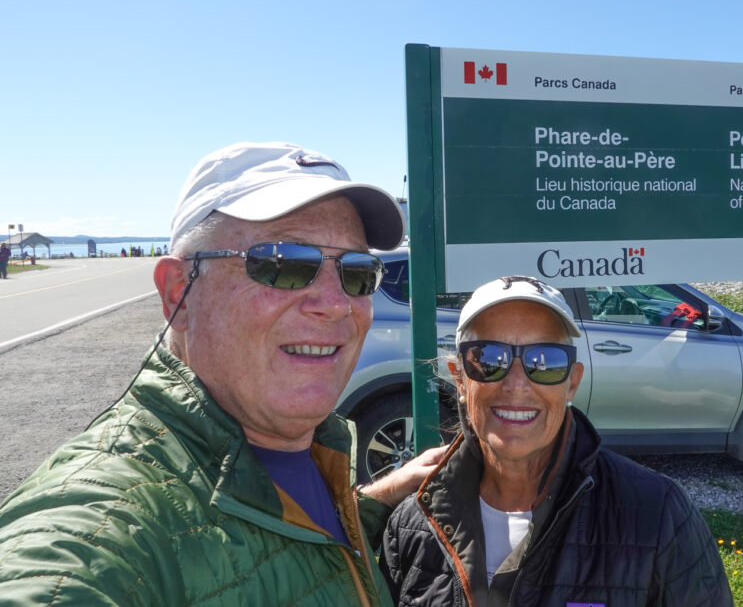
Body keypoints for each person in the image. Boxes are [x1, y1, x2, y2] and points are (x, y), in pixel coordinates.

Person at [0, 142, 444, 605]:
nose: (335, 303)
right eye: (284, 263)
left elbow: (285, 542)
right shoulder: (106, 521)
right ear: (178, 294)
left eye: (357, 272)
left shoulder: (312, 450)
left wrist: (368, 506)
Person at [383, 275, 733, 605]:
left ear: (572, 382)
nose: (516, 384)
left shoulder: (659, 517)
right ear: (460, 379)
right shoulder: (411, 526)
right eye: (489, 359)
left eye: (545, 362)